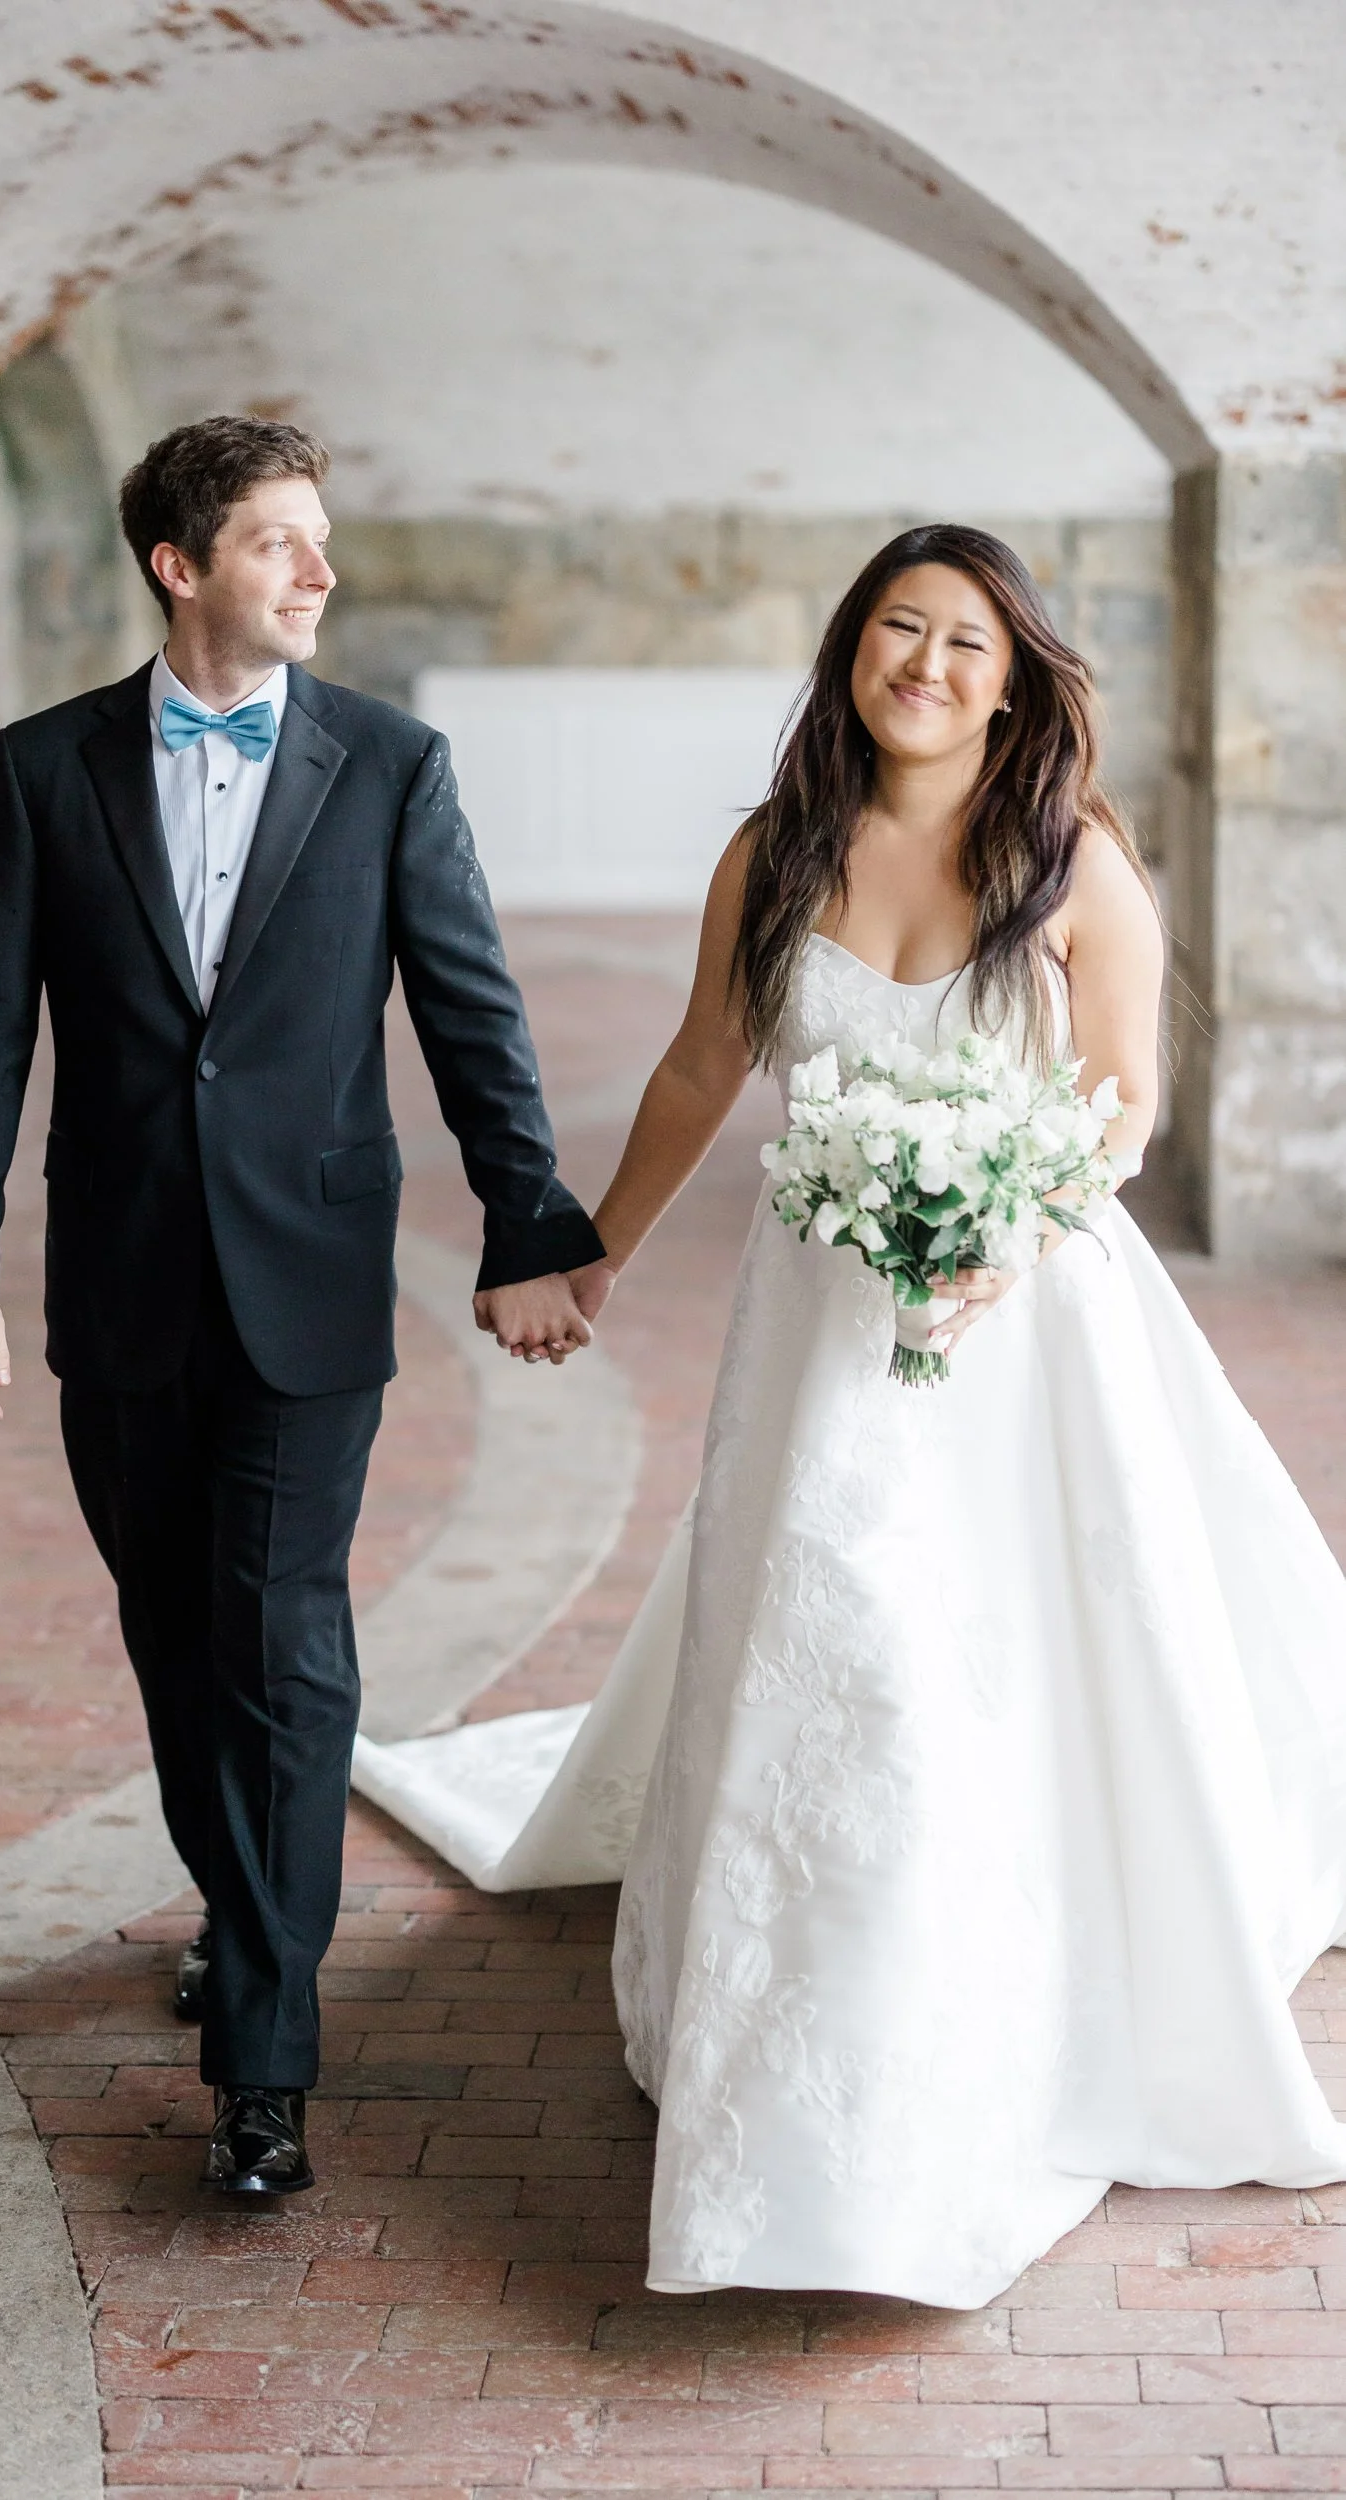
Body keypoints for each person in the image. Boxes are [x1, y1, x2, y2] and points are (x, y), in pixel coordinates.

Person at [354, 523, 1346, 2307]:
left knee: (998, 1648)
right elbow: (697, 1066)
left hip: (1023, 1327)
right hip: (818, 1322)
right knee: (841, 1635)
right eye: (901, 627)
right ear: (850, 650)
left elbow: (1118, 1107)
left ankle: (986, 1994)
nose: (929, 664)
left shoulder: (1072, 858)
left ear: (1017, 675)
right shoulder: (777, 849)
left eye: (968, 642)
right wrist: (590, 1258)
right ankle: (805, 1995)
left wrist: (1002, 1239)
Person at [0, 415, 603, 2198]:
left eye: (321, 539)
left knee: (286, 1646)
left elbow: (472, 1014)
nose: (322, 569)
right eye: (283, 541)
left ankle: (265, 2065)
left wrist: (526, 1224)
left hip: (308, 1284)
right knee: (173, 1634)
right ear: (181, 563)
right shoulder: (47, 768)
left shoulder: (389, 765)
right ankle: (244, 1908)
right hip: (121, 1288)